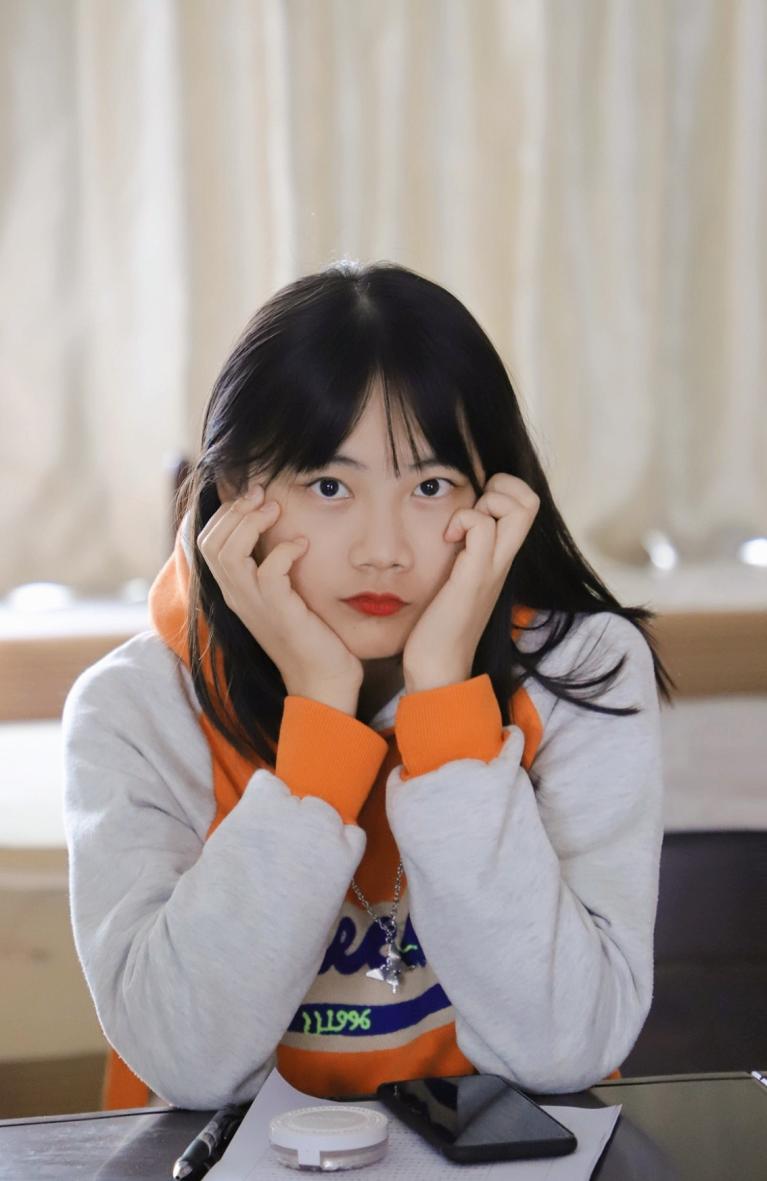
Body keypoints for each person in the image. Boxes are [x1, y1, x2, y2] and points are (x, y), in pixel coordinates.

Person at [62, 259, 674, 1112]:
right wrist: (319, 722)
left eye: (429, 485)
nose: (381, 550)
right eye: (328, 485)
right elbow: (186, 1063)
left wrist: (446, 706)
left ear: (497, 495)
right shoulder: (135, 707)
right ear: (235, 494)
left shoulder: (581, 670)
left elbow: (565, 1048)